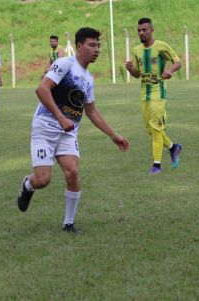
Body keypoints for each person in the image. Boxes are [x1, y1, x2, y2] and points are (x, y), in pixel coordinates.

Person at [18, 27, 130, 233]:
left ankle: (68, 223)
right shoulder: (65, 64)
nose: (96, 50)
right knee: (43, 180)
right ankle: (28, 185)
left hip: (68, 132)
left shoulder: (89, 78)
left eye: (98, 46)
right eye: (92, 45)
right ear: (79, 46)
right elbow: (41, 89)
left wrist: (114, 135)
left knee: (73, 172)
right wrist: (61, 118)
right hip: (45, 127)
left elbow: (91, 111)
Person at [125, 18, 182, 175]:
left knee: (156, 127)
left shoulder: (161, 47)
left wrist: (170, 71)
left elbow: (178, 62)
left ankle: (156, 165)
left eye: (144, 29)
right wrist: (130, 70)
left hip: (158, 91)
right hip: (144, 93)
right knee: (151, 129)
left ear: (151, 30)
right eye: (139, 30)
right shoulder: (137, 50)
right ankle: (173, 147)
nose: (141, 32)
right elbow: (137, 74)